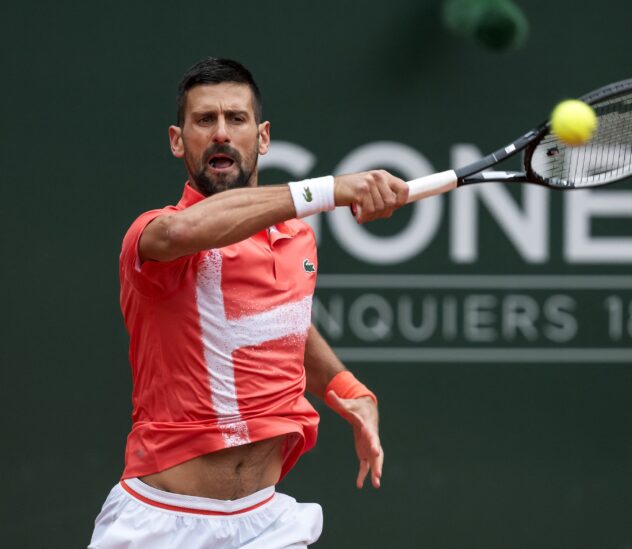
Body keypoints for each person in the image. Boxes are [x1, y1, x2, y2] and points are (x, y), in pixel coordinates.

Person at [89, 57, 408, 548]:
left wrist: (348, 389)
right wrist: (329, 190)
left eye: (235, 119)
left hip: (265, 523)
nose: (221, 133)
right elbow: (185, 231)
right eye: (204, 120)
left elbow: (283, 324)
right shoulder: (155, 234)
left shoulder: (296, 238)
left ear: (262, 137)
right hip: (161, 523)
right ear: (177, 140)